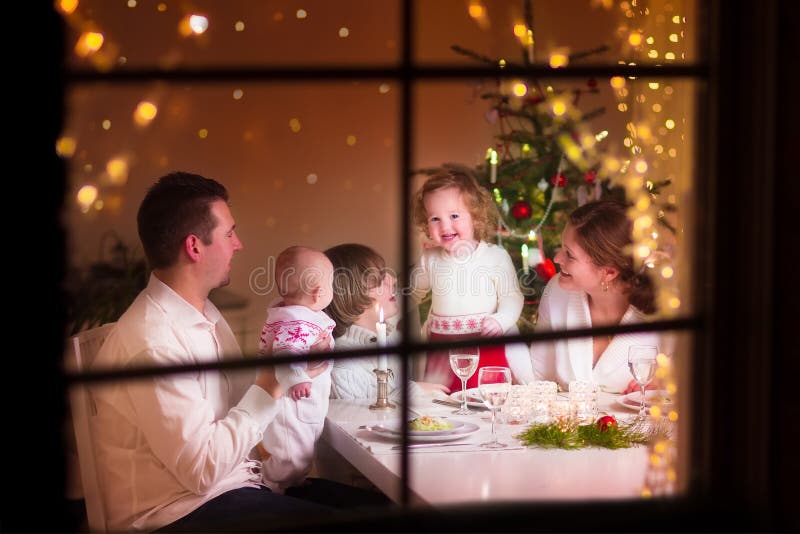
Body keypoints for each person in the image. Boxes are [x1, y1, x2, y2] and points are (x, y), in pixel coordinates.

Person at [90, 172, 381, 532]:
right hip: (180, 514)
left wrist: (298, 368)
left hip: (238, 486)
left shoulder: (203, 312)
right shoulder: (154, 341)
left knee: (388, 506)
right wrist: (273, 381)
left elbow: (235, 405)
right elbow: (202, 471)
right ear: (195, 247)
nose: (238, 244)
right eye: (229, 234)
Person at [411, 171, 533, 392]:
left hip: (485, 346)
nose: (445, 226)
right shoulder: (429, 259)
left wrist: (501, 320)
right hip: (441, 350)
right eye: (435, 218)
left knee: (486, 400)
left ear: (475, 217)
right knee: (441, 404)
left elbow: (511, 296)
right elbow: (412, 293)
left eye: (454, 216)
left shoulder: (495, 256)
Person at [530, 199, 661, 394]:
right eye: (562, 248)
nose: (557, 259)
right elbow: (537, 379)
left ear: (609, 272)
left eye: (569, 254)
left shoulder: (663, 312)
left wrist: (667, 386)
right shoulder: (557, 292)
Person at [323, 243, 450, 401]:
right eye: (380, 278)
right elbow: (360, 421)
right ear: (352, 295)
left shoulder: (388, 333)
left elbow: (411, 293)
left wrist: (439, 255)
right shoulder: (344, 370)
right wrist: (413, 391)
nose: (392, 279)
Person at [257, 246, 335, 493]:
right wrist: (298, 378)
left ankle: (292, 481)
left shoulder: (291, 315)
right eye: (331, 283)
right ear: (318, 292)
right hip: (292, 400)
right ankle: (271, 485)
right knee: (290, 451)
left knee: (300, 449)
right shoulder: (296, 322)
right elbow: (286, 354)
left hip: (301, 402)